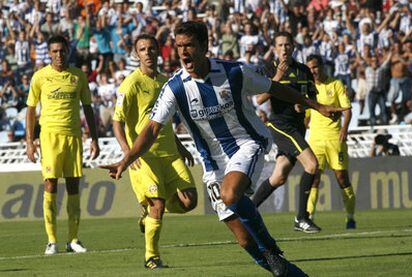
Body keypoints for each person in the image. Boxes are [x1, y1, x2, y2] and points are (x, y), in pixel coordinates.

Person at [100, 21, 345, 277]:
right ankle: (291, 274)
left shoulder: (235, 73)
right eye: (179, 46)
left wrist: (316, 106)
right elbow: (151, 129)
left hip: (246, 144)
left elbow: (275, 88)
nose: (183, 52)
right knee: (244, 241)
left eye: (190, 46)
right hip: (212, 163)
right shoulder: (174, 87)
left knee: (230, 195)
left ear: (205, 46)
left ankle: (271, 248)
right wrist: (125, 159)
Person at [112, 34, 198, 269]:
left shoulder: (166, 82)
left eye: (151, 48)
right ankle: (152, 257)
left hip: (169, 153)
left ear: (158, 51)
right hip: (144, 157)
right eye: (142, 49)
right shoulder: (130, 84)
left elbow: (167, 120)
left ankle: (149, 214)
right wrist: (128, 152)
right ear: (135, 54)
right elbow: (117, 121)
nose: (148, 53)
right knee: (158, 205)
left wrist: (180, 147)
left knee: (190, 201)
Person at [25, 35, 100, 255]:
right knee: (50, 184)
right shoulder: (40, 77)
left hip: (74, 137)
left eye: (62, 51)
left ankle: (73, 239)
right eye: (54, 51)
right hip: (49, 137)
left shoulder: (78, 76)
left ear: (68, 51)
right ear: (49, 53)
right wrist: (30, 142)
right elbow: (30, 110)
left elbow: (87, 108)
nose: (59, 55)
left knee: (74, 186)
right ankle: (51, 240)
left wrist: (94, 138)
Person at [251, 31, 322, 234]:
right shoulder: (268, 68)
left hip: (297, 125)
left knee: (279, 176)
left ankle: (247, 211)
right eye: (280, 45)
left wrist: (304, 108)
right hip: (280, 125)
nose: (284, 48)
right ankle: (302, 217)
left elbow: (309, 98)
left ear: (293, 47)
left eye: (287, 45)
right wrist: (277, 78)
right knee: (312, 164)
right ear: (275, 48)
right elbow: (259, 100)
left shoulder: (303, 71)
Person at [305, 55, 356, 229]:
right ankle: (309, 216)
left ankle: (350, 217)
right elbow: (306, 116)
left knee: (342, 178)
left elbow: (348, 110)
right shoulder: (309, 88)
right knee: (314, 179)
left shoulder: (336, 84)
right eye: (310, 68)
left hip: (335, 138)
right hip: (315, 139)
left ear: (322, 66)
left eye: (315, 67)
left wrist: (344, 129)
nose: (313, 71)